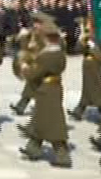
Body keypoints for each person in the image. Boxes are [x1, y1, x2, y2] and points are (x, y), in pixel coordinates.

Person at [18, 22, 71, 168]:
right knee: (40, 117)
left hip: (45, 88)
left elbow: (34, 75)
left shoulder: (46, 55)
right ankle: (33, 147)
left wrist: (24, 67)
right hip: (54, 86)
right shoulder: (59, 52)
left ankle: (62, 154)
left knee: (52, 121)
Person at [68, 29, 101, 122]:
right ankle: (78, 112)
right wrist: (82, 41)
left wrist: (93, 47)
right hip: (87, 69)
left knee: (98, 90)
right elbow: (77, 50)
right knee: (86, 90)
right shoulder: (85, 40)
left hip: (95, 68)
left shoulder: (99, 40)